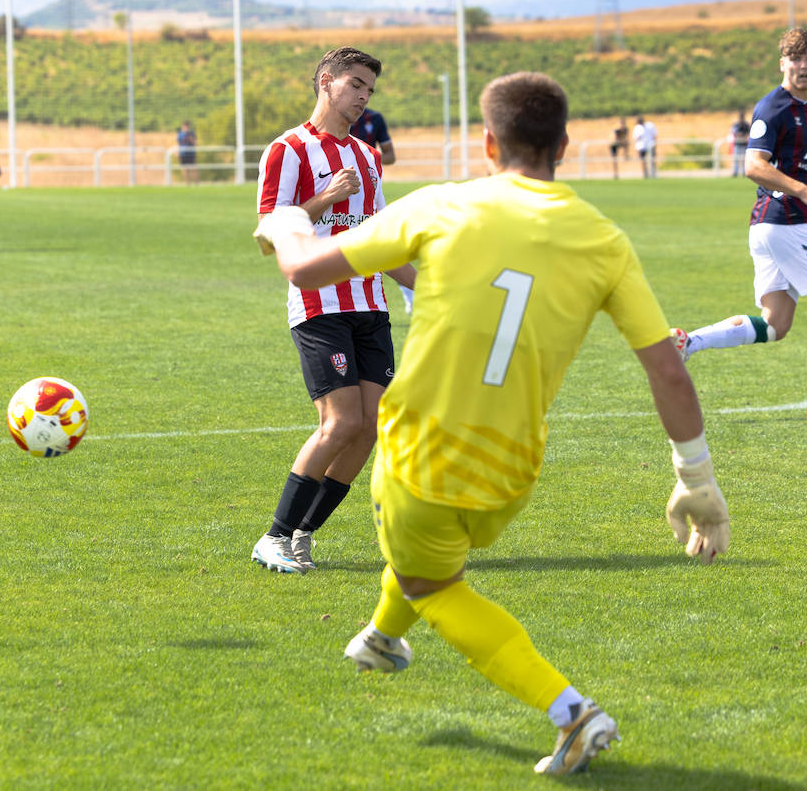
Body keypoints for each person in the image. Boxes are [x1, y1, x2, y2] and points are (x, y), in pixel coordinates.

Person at [253, 70, 730, 776]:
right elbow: (668, 369)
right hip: (513, 472)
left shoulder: (441, 207)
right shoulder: (604, 238)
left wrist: (288, 221)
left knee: (432, 582)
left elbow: (302, 270)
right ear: (564, 144)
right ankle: (381, 639)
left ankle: (571, 713)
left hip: (423, 450)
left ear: (486, 142)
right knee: (430, 548)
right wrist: (698, 482)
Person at [251, 47, 416, 575]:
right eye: (356, 85)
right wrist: (324, 198)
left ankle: (302, 534)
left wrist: (430, 288)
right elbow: (270, 228)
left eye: (370, 90)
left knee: (370, 427)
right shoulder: (288, 150)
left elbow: (381, 238)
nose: (364, 97)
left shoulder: (368, 157)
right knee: (340, 421)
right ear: (327, 82)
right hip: (320, 305)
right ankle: (272, 537)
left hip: (371, 305)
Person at [672, 28, 807, 419]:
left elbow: (784, 170)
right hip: (788, 221)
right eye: (796, 59)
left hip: (770, 223)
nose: (804, 66)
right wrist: (806, 192)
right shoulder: (774, 108)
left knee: (775, 324)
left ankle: (688, 343)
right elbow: (754, 166)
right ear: (783, 64)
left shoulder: (805, 111)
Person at [350, 107, 414, 313]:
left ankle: (411, 293)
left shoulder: (374, 119)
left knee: (385, 241)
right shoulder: (333, 120)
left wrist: (367, 158)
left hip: (370, 190)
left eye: (366, 89)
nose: (361, 95)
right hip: (340, 188)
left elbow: (390, 156)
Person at [729, 110, 751, 177]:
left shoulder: (746, 124)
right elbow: (734, 132)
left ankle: (744, 172)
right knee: (736, 159)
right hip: (737, 143)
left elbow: (749, 132)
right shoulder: (736, 124)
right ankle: (735, 172)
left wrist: (745, 135)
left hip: (744, 143)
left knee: (744, 159)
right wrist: (739, 134)